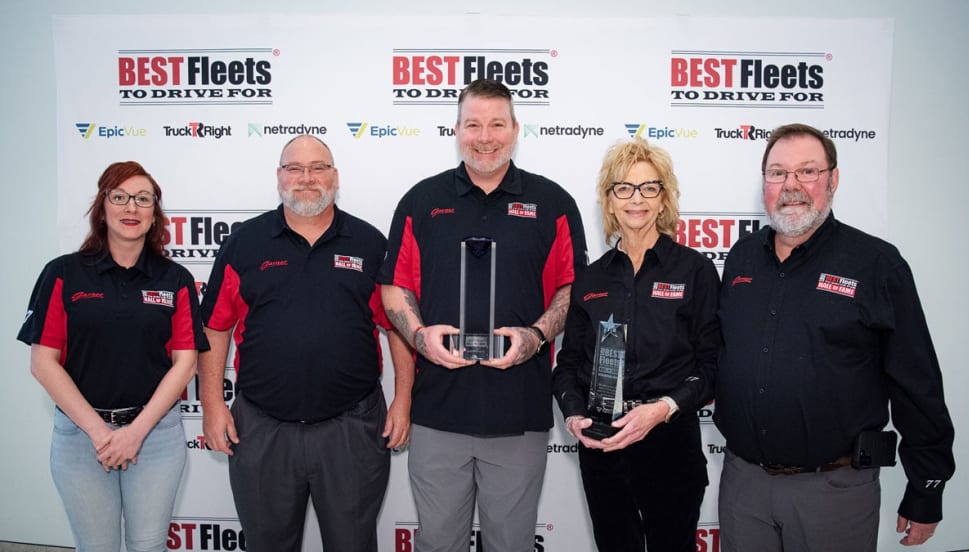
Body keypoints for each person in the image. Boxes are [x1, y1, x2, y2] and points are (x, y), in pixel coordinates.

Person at [715, 123, 955, 551]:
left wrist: (926, 487)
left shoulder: (876, 264)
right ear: (765, 182)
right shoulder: (741, 258)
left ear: (833, 179)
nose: (791, 185)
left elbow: (917, 383)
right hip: (743, 486)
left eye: (807, 171)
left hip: (833, 491)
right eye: (778, 173)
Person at [379, 78, 589, 552]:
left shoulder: (553, 203)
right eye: (473, 125)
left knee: (511, 545)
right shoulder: (421, 201)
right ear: (456, 130)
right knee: (438, 544)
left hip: (518, 412)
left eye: (497, 124)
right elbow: (394, 286)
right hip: (437, 411)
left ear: (515, 129)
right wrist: (419, 336)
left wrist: (536, 336)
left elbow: (571, 288)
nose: (485, 136)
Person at [198, 135, 414, 552]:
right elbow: (215, 328)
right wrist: (211, 404)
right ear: (279, 176)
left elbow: (399, 326)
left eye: (318, 168)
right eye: (294, 168)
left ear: (335, 177)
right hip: (261, 428)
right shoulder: (244, 243)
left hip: (352, 428)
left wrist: (403, 399)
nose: (306, 178)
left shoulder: (368, 243)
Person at [16, 161, 209, 552]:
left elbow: (186, 364)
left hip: (155, 437)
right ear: (102, 207)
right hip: (81, 438)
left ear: (154, 214)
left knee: (148, 546)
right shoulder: (62, 273)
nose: (131, 208)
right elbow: (43, 363)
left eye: (143, 199)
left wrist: (134, 433)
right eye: (119, 197)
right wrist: (101, 434)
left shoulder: (175, 279)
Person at [552, 138, 720, 551]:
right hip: (603, 440)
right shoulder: (591, 278)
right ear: (609, 202)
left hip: (669, 440)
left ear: (664, 199)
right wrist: (574, 415)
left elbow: (712, 365)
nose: (636, 199)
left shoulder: (695, 271)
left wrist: (663, 408)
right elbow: (568, 364)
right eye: (624, 188)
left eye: (649, 187)